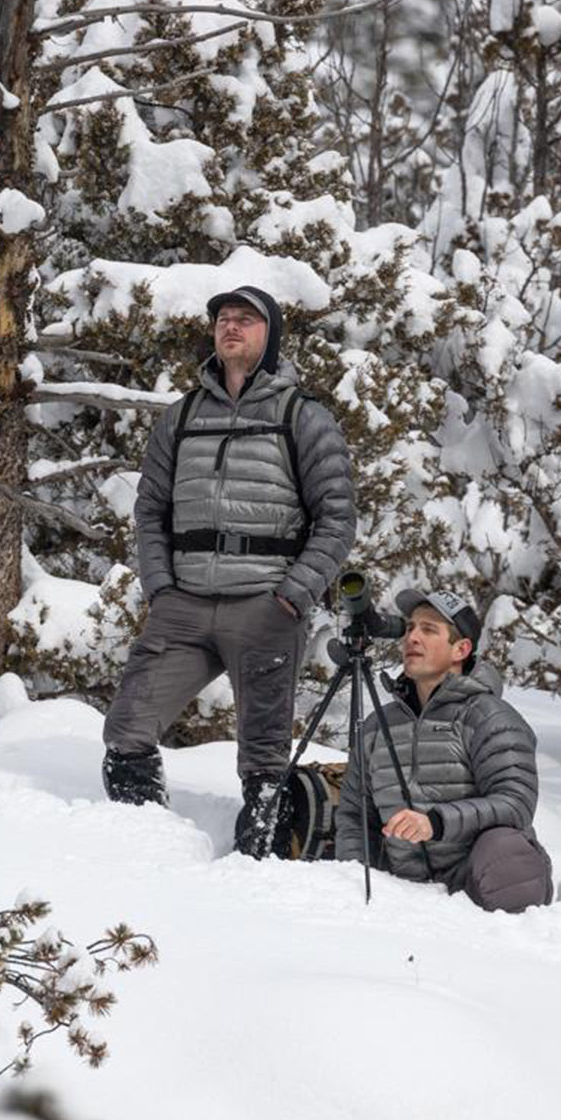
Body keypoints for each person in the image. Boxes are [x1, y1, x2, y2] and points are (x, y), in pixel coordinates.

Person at [101, 285, 356, 856]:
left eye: (246, 319)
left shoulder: (303, 417)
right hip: (184, 606)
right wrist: (161, 588)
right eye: (222, 319)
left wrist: (292, 595)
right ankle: (140, 846)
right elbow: (150, 510)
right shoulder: (182, 416)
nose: (231, 327)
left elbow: (337, 519)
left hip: (263, 606)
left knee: (264, 758)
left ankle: (254, 869)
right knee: (127, 729)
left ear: (271, 336)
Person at [334, 586, 554, 912]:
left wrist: (435, 823)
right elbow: (354, 813)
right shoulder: (377, 725)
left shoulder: (489, 717)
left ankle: (508, 946)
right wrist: (355, 876)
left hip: (476, 879)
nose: (412, 638)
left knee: (508, 855)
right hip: (402, 884)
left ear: (460, 649)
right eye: (409, 628)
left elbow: (515, 803)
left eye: (428, 630)